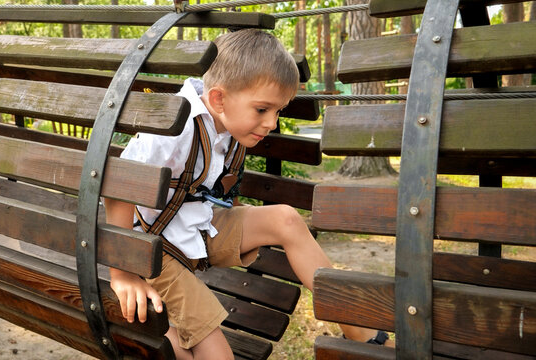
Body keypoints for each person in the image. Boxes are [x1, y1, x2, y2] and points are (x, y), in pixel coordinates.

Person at [104, 29, 391, 359]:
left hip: (195, 228)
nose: (271, 122)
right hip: (153, 248)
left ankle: (363, 336)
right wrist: (123, 274)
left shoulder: (226, 124)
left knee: (285, 219)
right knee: (215, 352)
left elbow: (214, 188)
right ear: (219, 99)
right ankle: (163, 328)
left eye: (279, 111)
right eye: (262, 110)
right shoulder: (176, 126)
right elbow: (117, 187)